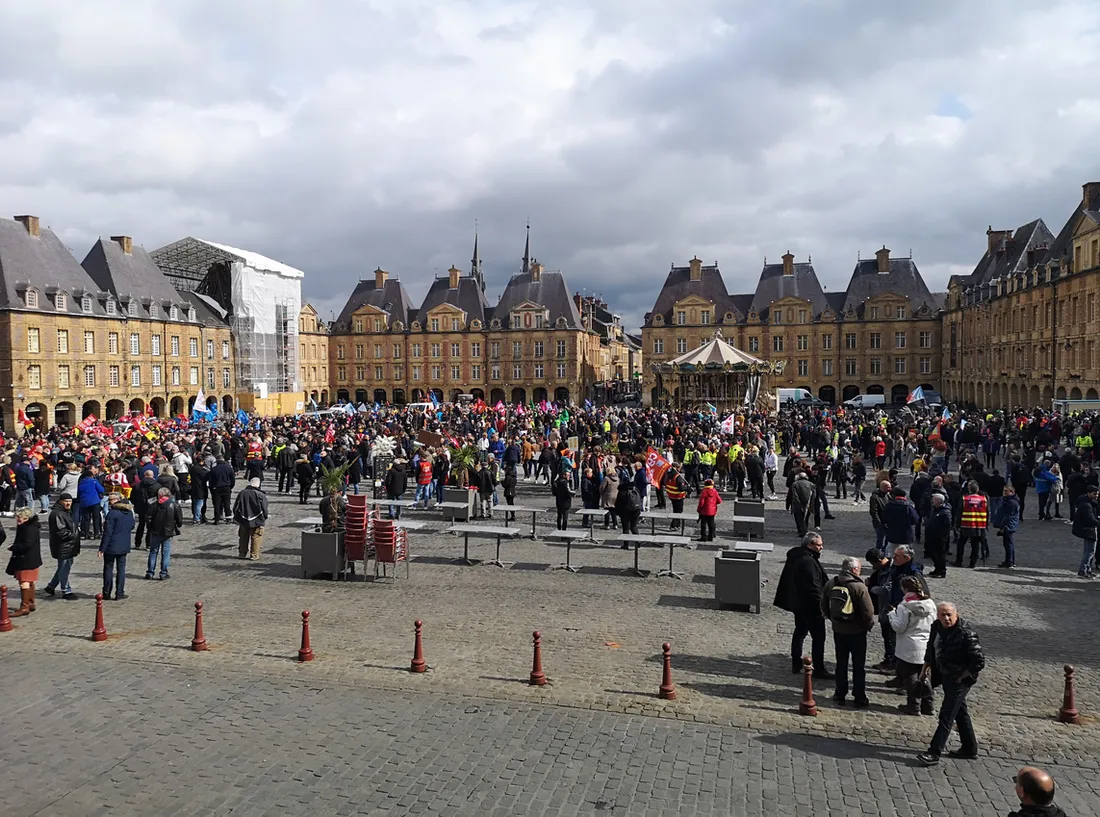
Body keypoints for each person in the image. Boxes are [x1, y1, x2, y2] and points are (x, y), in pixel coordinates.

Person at [917, 602, 985, 765]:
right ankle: (969, 748)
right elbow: (931, 648)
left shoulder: (966, 633)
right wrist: (926, 668)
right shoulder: (936, 627)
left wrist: (962, 676)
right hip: (945, 674)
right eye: (943, 615)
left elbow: (979, 661)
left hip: (959, 680)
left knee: (947, 715)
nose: (946, 618)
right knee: (960, 712)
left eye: (949, 615)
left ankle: (934, 752)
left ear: (956, 615)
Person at [773, 531, 832, 678]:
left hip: (799, 604)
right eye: (819, 545)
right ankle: (819, 668)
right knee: (818, 638)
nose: (821, 548)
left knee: (799, 632)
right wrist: (822, 607)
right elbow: (813, 587)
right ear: (810, 545)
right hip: (810, 607)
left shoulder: (797, 557)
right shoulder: (807, 561)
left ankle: (796, 662)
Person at [820, 555, 874, 707]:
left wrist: (833, 620)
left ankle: (839, 693)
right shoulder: (859, 587)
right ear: (855, 570)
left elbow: (823, 604)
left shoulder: (831, 583)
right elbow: (868, 612)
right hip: (856, 632)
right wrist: (867, 626)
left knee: (841, 663)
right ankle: (859, 696)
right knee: (858, 665)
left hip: (839, 630)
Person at [888, 575, 936, 715]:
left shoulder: (905, 606)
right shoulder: (930, 604)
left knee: (911, 677)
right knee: (926, 676)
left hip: (909, 647)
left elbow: (899, 627)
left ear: (905, 589)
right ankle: (928, 705)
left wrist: (891, 614)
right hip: (926, 644)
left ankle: (913, 705)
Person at [44, 493, 80, 600]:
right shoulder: (57, 514)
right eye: (66, 501)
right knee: (64, 568)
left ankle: (51, 586)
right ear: (60, 501)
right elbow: (61, 532)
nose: (68, 503)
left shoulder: (66, 512)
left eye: (70, 501)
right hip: (63, 546)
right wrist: (74, 534)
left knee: (64, 567)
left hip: (69, 545)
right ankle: (66, 590)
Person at [5, 507, 39, 616]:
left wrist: (13, 547)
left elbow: (26, 544)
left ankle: (25, 606)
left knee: (24, 582)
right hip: (31, 559)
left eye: (21, 517)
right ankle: (30, 602)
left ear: (27, 518)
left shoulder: (27, 528)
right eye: (18, 517)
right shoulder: (31, 527)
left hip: (26, 560)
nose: (18, 519)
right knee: (29, 581)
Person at [99, 493, 134, 599]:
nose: (109, 502)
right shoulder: (128, 512)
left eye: (111, 500)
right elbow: (132, 526)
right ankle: (120, 593)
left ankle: (106, 592)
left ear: (117, 500)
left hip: (111, 545)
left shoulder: (112, 514)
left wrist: (102, 548)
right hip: (124, 544)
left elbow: (107, 533)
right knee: (121, 569)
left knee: (108, 568)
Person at [146, 486, 182, 580]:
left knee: (153, 552)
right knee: (165, 553)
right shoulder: (174, 505)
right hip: (168, 532)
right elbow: (179, 521)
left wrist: (150, 528)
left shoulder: (153, 505)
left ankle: (150, 572)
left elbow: (149, 519)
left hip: (155, 531)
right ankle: (163, 573)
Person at [233, 477, 269, 561]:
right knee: (256, 537)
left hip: (243, 518)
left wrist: (237, 516)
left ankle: (242, 553)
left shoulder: (242, 493)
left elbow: (236, 506)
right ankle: (254, 555)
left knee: (243, 537)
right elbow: (264, 507)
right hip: (257, 519)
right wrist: (264, 517)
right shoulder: (260, 494)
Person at [956, 480, 990, 568]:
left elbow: (959, 513)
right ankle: (973, 563)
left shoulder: (965, 499)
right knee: (975, 546)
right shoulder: (984, 499)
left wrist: (957, 525)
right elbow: (988, 512)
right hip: (979, 526)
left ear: (969, 489)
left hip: (966, 525)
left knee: (961, 544)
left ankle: (959, 561)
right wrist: (986, 524)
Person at [991, 484, 1021, 568]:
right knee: (1008, 544)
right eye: (1004, 491)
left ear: (1011, 492)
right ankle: (1010, 561)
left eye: (1006, 491)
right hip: (1009, 525)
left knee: (1008, 544)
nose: (1004, 492)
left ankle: (1010, 561)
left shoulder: (1011, 502)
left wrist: (1002, 527)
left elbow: (1008, 516)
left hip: (1008, 526)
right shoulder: (1010, 501)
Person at [1072, 485, 1098, 578]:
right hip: (1089, 530)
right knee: (1090, 551)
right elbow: (1090, 519)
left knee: (1088, 550)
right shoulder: (1086, 505)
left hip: (1086, 529)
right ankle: (1083, 570)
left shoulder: (1085, 502)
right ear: (1088, 493)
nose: (1096, 496)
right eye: (1094, 494)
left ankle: (1088, 569)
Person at [925, 493, 952, 578]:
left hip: (940, 537)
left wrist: (940, 535)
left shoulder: (945, 512)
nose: (932, 501)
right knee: (932, 553)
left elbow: (947, 526)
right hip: (932, 536)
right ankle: (937, 569)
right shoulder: (935, 509)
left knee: (940, 554)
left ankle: (942, 571)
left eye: (934, 500)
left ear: (939, 501)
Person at [207, 455, 236, 524]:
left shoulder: (214, 469)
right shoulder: (229, 468)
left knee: (217, 504)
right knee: (227, 503)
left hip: (217, 488)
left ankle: (217, 519)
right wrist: (230, 487)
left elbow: (210, 480)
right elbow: (233, 479)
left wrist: (212, 488)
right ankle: (228, 518)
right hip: (226, 487)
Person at [787, 472, 815, 537]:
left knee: (798, 518)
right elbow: (814, 496)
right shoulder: (811, 484)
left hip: (797, 505)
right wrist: (812, 504)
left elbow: (795, 496)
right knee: (806, 518)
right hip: (808, 503)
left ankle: (802, 531)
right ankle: (805, 529)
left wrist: (798, 504)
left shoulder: (795, 484)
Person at [696, 478, 722, 542]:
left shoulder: (704, 491)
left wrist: (699, 510)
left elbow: (701, 503)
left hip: (704, 511)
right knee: (711, 524)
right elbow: (719, 501)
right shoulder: (715, 491)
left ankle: (703, 537)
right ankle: (711, 536)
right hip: (712, 511)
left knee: (703, 524)